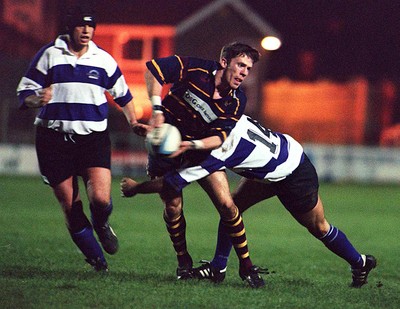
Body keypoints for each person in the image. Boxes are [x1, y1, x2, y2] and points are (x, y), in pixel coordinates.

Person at [121, 115, 377, 288]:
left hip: (293, 171)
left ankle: (360, 262)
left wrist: (136, 188)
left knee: (319, 227)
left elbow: (172, 183)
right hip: (269, 168)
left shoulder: (220, 151)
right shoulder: (228, 118)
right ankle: (218, 268)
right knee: (231, 208)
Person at [16, 6, 147, 271]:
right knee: (71, 207)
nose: (87, 31)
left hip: (92, 139)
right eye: (81, 26)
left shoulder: (103, 60)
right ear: (70, 28)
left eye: (91, 26)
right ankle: (97, 260)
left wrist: (133, 121)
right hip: (53, 140)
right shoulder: (49, 55)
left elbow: (123, 96)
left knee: (100, 198)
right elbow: (24, 93)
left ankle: (101, 223)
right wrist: (36, 99)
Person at [143, 42, 265, 287]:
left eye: (248, 69)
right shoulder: (194, 69)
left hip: (198, 150)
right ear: (224, 62)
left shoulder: (237, 100)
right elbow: (153, 69)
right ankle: (183, 262)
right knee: (173, 207)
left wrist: (191, 146)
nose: (243, 72)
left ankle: (247, 266)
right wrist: (157, 109)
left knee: (227, 205)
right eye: (240, 65)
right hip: (165, 145)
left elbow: (219, 137)